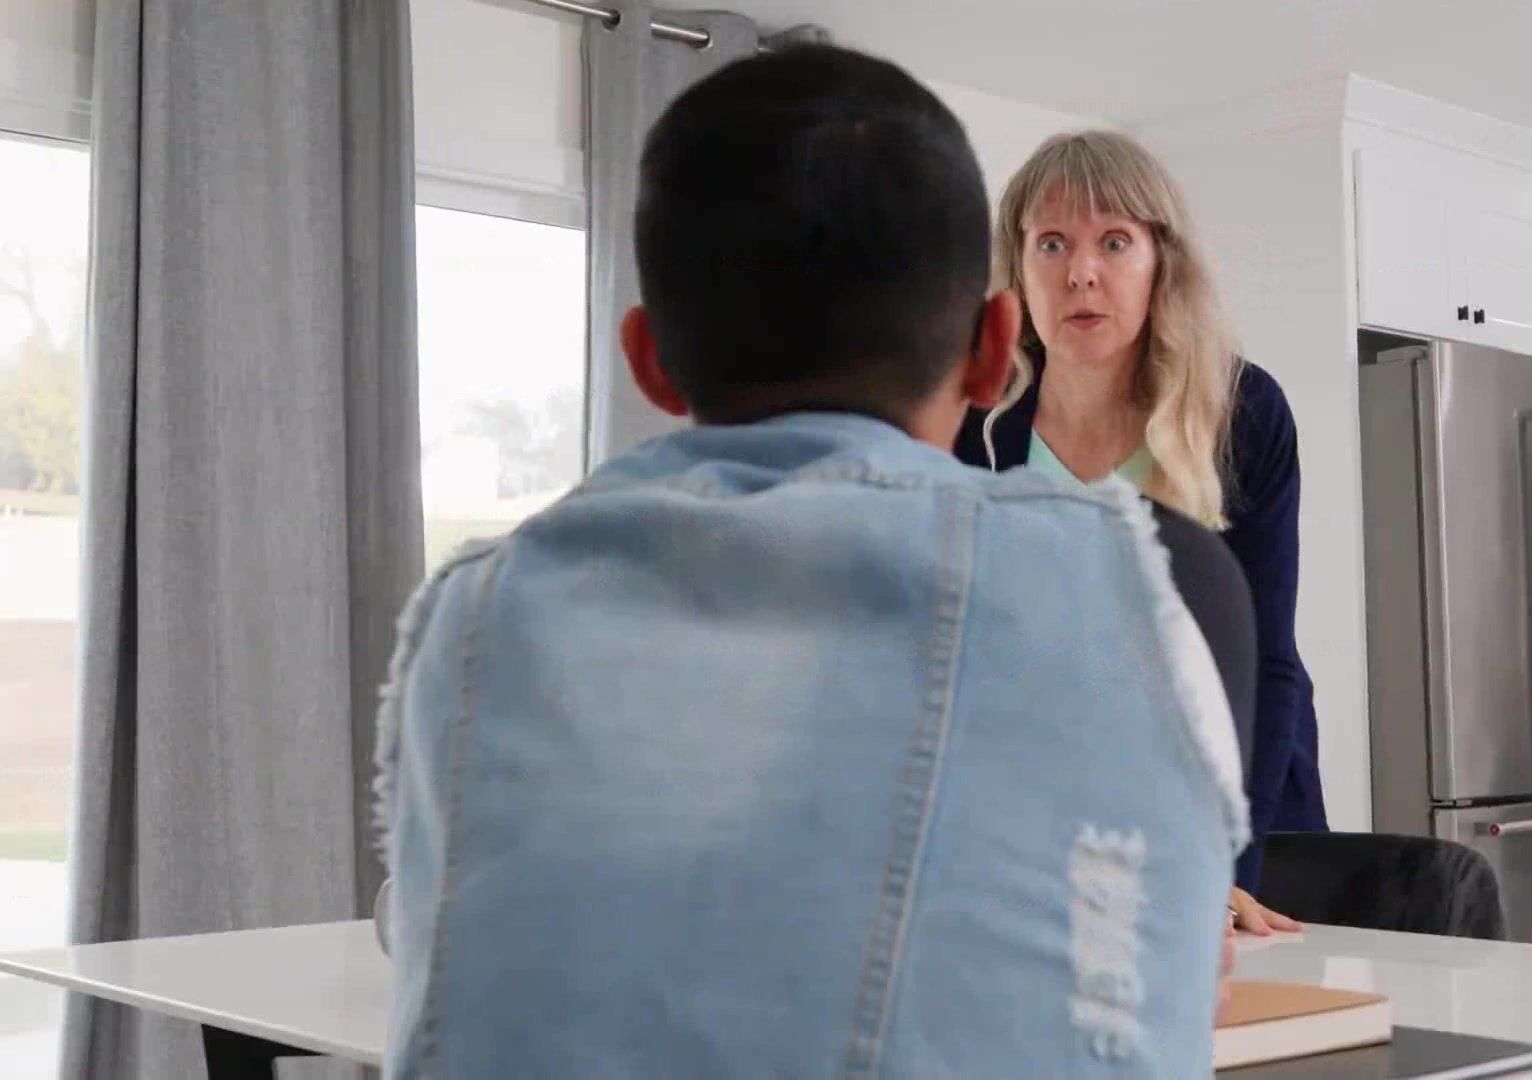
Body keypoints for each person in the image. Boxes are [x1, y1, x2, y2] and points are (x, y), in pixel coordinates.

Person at [373, 44, 1251, 1079]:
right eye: (1054, 244)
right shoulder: (1148, 585)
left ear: (649, 361)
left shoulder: (476, 619)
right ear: (992, 347)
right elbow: (1172, 971)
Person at [953, 130, 1327, 927]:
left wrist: (1226, 868)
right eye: (1052, 243)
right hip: (1045, 826)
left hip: (1235, 818)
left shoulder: (1241, 412)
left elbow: (1265, 661)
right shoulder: (974, 422)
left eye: (1115, 242)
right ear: (1018, 269)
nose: (1081, 272)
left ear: (1163, 263)